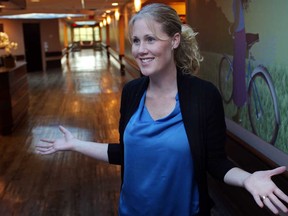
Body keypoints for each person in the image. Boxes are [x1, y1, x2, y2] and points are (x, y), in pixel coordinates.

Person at [36, 3, 288, 216]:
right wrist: (74, 144)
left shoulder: (203, 96)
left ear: (175, 40)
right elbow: (128, 152)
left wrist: (247, 179)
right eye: (135, 41)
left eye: (150, 39)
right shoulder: (132, 92)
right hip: (130, 210)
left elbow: (215, 161)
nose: (140, 50)